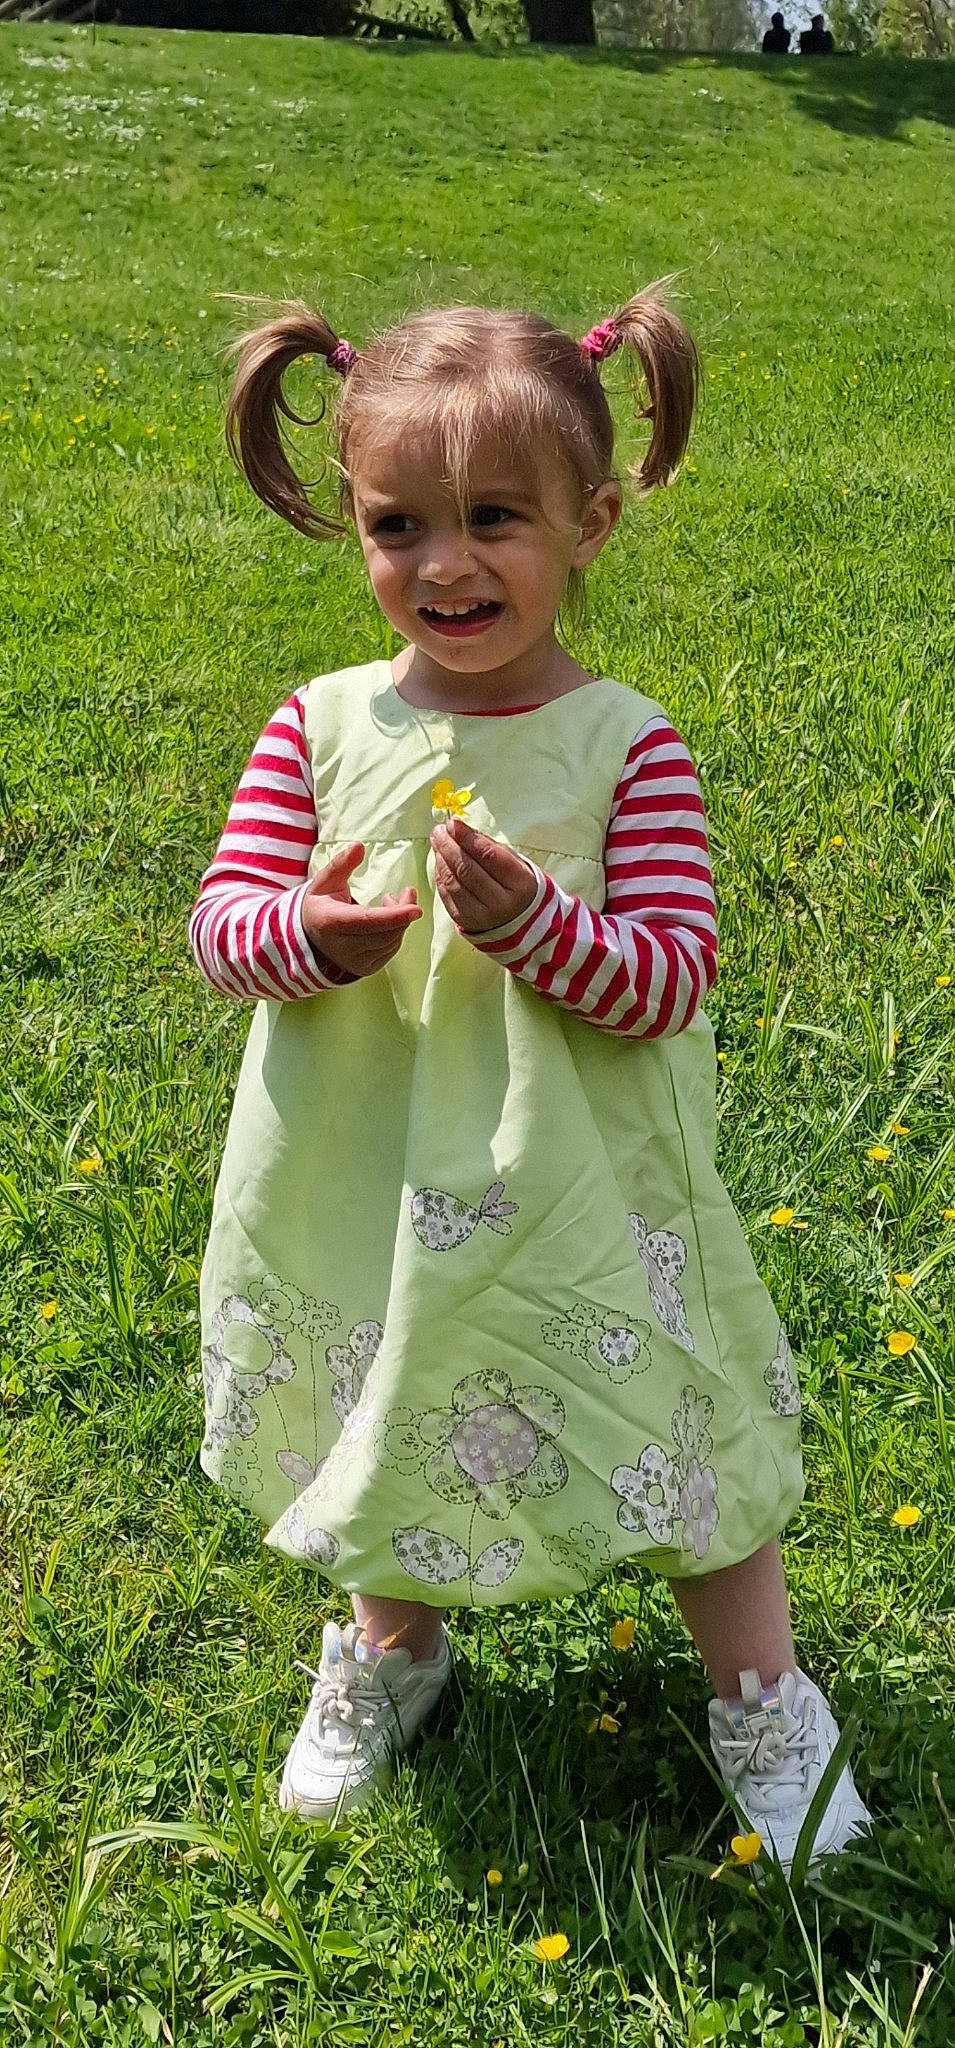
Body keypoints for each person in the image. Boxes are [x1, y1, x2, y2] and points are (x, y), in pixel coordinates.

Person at [189, 286, 870, 1874]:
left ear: (591, 523)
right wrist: (309, 935)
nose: (444, 563)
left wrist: (543, 934)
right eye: (399, 524)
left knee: (677, 1419)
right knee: (385, 1388)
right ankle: (395, 1652)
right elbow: (222, 932)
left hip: (585, 1186)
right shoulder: (318, 726)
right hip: (368, 1171)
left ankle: (763, 1698)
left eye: (494, 518)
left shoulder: (627, 744)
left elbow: (673, 972)